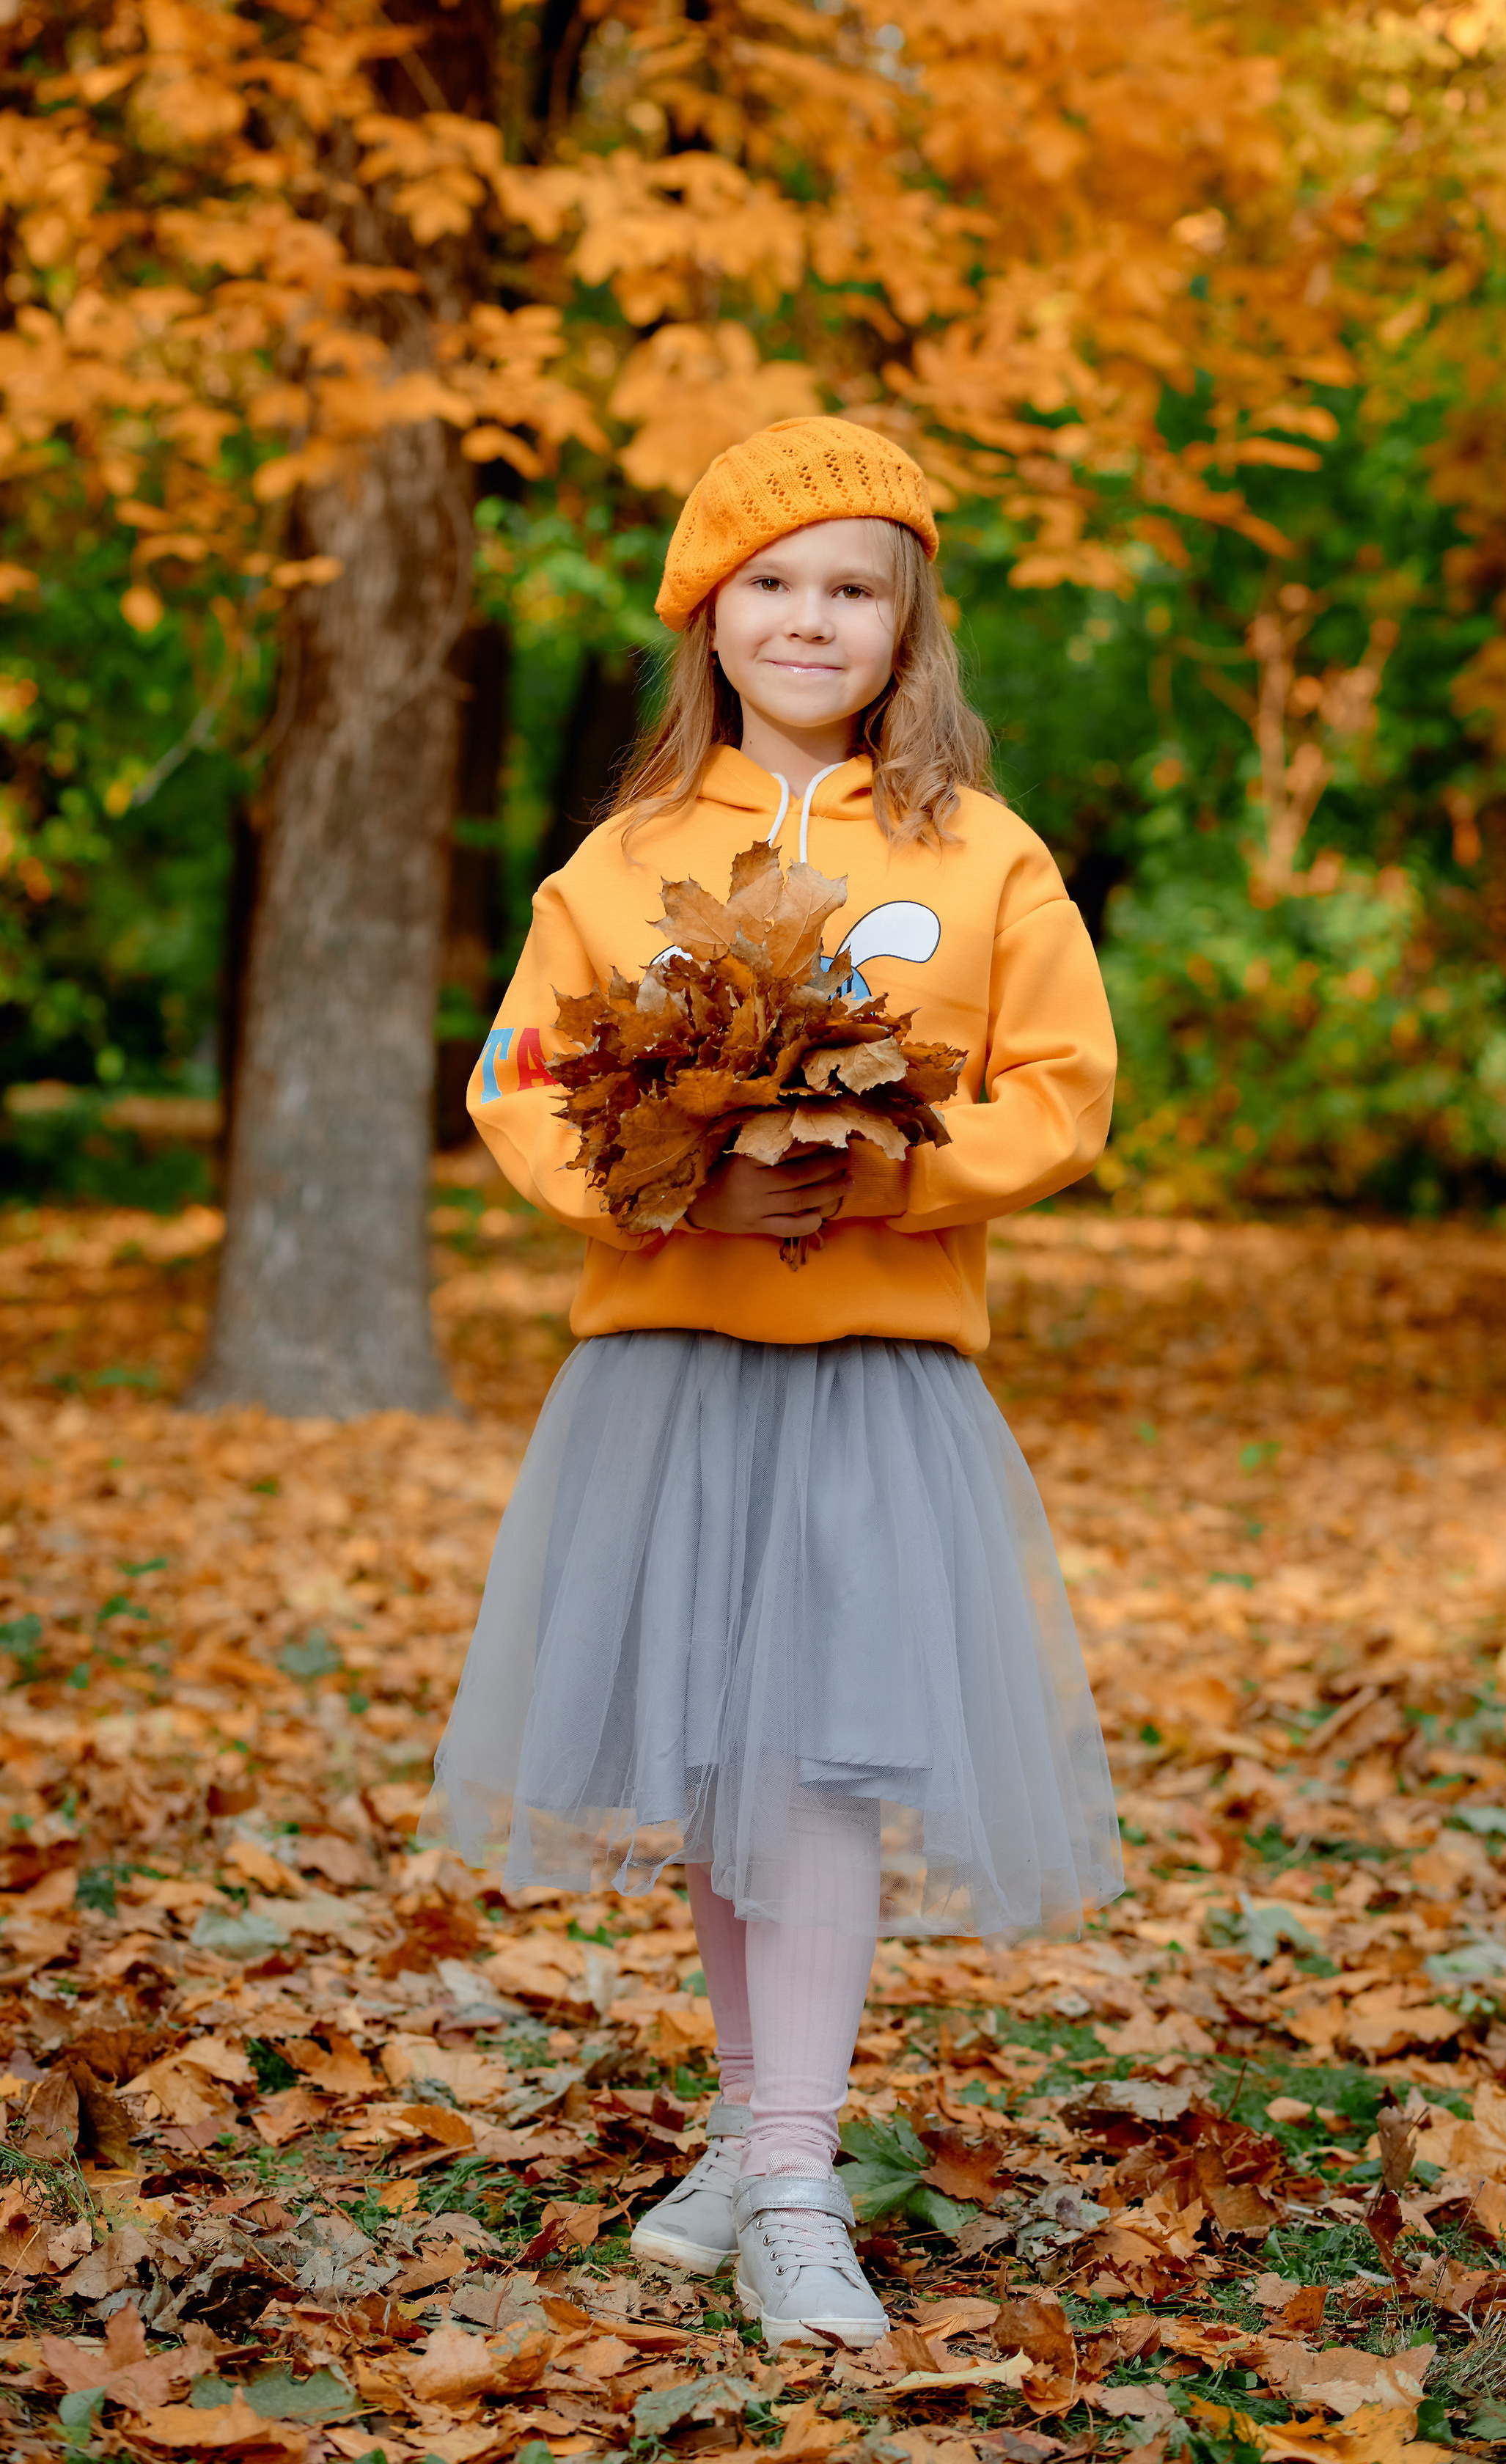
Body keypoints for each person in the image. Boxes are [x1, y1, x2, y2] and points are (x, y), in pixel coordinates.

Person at [422, 415, 1123, 2349]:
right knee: (729, 1776)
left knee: (818, 1771)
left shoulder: (979, 856)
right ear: (710, 618)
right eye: (775, 586)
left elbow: (1067, 1086)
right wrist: (670, 1177)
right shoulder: (627, 860)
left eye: (855, 591)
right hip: (668, 1376)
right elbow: (519, 1084)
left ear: (909, 633)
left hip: (871, 1375)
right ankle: (753, 2135)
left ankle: (798, 2175)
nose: (812, 620)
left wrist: (897, 1164)